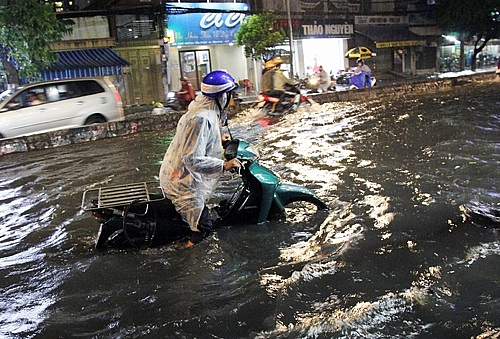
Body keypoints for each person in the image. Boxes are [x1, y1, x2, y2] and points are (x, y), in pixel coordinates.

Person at [159, 70, 243, 249]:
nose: (231, 100)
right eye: (229, 95)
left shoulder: (203, 111)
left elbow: (200, 140)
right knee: (204, 230)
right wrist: (224, 165)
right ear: (221, 97)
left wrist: (220, 139)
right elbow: (192, 159)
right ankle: (181, 253)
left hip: (181, 175)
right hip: (182, 182)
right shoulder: (200, 118)